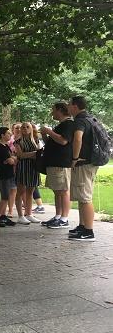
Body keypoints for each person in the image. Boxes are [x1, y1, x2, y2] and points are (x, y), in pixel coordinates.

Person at [67, 96, 98, 241]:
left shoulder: (79, 121)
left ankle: (89, 231)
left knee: (85, 197)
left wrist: (74, 158)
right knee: (81, 196)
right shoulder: (90, 119)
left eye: (69, 104)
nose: (67, 107)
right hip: (89, 162)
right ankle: (82, 226)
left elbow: (78, 138)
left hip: (83, 163)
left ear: (75, 106)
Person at [39, 102, 74, 229]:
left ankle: (64, 219)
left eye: (53, 110)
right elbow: (52, 142)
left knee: (63, 190)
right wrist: (44, 135)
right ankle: (57, 216)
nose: (52, 113)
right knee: (57, 191)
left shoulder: (69, 124)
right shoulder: (60, 125)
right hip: (53, 163)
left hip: (62, 163)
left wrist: (49, 131)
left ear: (60, 110)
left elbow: (63, 140)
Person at [14, 122, 41, 224]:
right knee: (20, 191)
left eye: (27, 127)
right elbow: (20, 155)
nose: (25, 129)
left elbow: (39, 153)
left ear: (31, 129)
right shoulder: (18, 142)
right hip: (23, 167)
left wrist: (34, 154)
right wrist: (34, 154)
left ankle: (29, 214)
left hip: (33, 168)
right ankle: (20, 216)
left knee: (30, 191)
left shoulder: (35, 140)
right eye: (23, 127)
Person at [0, 127, 17, 227]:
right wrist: (11, 159)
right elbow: (11, 160)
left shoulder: (7, 146)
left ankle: (3, 216)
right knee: (4, 197)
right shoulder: (0, 147)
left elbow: (13, 158)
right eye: (8, 133)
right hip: (3, 175)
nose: (10, 135)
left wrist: (12, 159)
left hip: (9, 174)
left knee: (7, 196)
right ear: (2, 135)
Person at [7, 123, 21, 217]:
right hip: (12, 168)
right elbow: (7, 154)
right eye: (17, 128)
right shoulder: (9, 141)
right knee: (12, 189)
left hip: (23, 167)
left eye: (21, 127)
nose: (19, 129)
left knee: (23, 190)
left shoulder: (25, 140)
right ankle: (10, 210)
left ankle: (26, 212)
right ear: (13, 130)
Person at [31, 123, 45, 214]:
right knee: (32, 186)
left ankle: (40, 206)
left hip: (34, 165)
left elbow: (39, 152)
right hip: (33, 165)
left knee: (33, 186)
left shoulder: (35, 140)